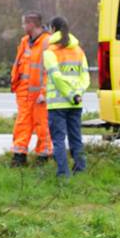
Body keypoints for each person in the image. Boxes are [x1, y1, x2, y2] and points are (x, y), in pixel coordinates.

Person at [43, 16, 89, 178]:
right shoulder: (79, 51)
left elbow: (56, 78)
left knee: (58, 140)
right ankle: (81, 169)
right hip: (75, 103)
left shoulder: (50, 53)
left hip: (57, 105)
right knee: (76, 137)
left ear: (53, 29)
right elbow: (85, 78)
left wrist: (70, 95)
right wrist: (77, 94)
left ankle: (63, 174)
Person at [10, 12, 52, 166]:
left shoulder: (47, 42)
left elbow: (50, 71)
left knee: (43, 125)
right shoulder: (25, 41)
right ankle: (19, 156)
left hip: (40, 94)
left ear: (31, 24)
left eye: (24, 24)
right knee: (22, 124)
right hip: (24, 92)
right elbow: (19, 64)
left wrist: (44, 92)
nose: (22, 27)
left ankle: (43, 156)